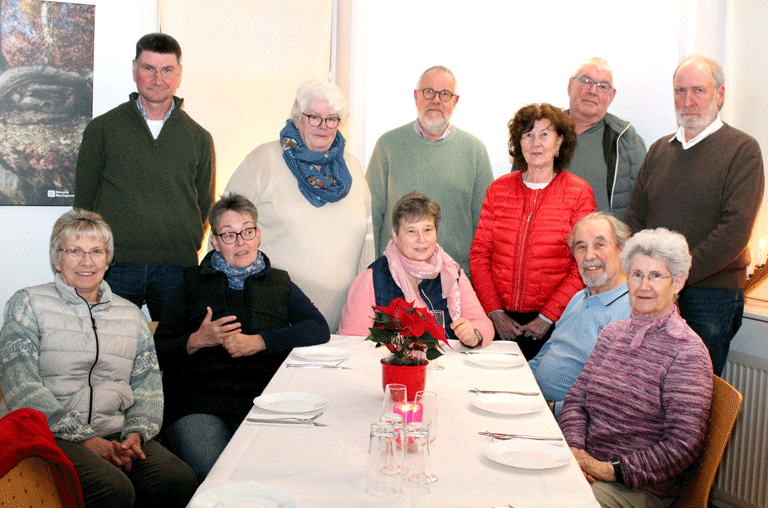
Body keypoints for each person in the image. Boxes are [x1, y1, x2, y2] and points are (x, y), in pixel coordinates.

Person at [0, 210, 198, 508]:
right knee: (112, 490)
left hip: (116, 430)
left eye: (96, 252)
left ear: (108, 260)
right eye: (74, 251)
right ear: (57, 259)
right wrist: (85, 439)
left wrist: (136, 434)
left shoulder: (130, 315)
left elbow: (147, 388)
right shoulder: (27, 303)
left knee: (178, 480)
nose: (87, 261)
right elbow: (21, 387)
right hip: (49, 434)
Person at [154, 194, 330, 482]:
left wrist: (259, 341)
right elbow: (157, 350)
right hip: (199, 405)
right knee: (216, 474)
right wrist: (198, 339)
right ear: (214, 241)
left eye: (247, 232)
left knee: (280, 473)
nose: (241, 242)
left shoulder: (279, 282)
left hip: (264, 403)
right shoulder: (190, 282)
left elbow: (318, 329)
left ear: (258, 235)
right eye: (229, 235)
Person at [625, 55, 764, 376]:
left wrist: (673, 279)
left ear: (720, 95)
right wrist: (649, 278)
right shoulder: (660, 150)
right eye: (680, 91)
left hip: (710, 296)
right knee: (647, 390)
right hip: (653, 291)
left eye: (698, 90)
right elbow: (635, 218)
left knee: (693, 397)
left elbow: (734, 231)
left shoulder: (743, 150)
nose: (687, 101)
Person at [559, 228, 713, 508]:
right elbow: (576, 401)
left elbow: (682, 445)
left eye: (656, 276)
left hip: (638, 486)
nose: (643, 286)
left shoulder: (687, 352)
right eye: (637, 275)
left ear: (677, 282)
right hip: (586, 467)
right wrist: (575, 453)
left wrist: (607, 469)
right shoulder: (612, 334)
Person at [74, 32, 215, 320]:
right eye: (148, 68)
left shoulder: (199, 137)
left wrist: (184, 243)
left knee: (178, 356)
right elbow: (84, 204)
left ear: (179, 74)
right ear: (135, 69)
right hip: (116, 266)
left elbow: (205, 206)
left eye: (167, 70)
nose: (157, 78)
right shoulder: (102, 129)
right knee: (112, 356)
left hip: (178, 268)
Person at [225, 80, 372, 333]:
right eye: (314, 117)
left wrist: (367, 302)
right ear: (297, 118)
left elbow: (367, 240)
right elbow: (223, 229)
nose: (323, 126)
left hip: (341, 322)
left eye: (332, 119)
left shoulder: (354, 169)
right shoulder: (262, 161)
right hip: (272, 317)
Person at [470, 103, 596, 359]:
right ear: (519, 143)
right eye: (528, 134)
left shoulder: (579, 193)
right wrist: (494, 312)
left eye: (544, 134)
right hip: (498, 320)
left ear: (559, 142)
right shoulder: (498, 189)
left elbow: (582, 264)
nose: (535, 142)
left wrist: (548, 316)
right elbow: (480, 255)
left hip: (556, 324)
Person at [367, 65, 493, 278]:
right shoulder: (387, 145)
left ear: (455, 101)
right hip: (396, 277)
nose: (436, 100)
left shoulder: (475, 151)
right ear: (416, 97)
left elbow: (486, 224)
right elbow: (371, 214)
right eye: (428, 92)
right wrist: (374, 272)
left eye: (445, 94)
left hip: (454, 279)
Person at [338, 192, 494, 347]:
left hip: (446, 367)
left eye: (427, 230)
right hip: (393, 368)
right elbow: (352, 342)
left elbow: (483, 324)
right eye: (411, 231)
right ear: (395, 234)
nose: (422, 239)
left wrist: (474, 336)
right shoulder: (373, 278)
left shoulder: (452, 272)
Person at [528, 212, 631, 417]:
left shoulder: (632, 311)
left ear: (623, 250)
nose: (589, 255)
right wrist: (516, 383)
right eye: (581, 246)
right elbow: (548, 351)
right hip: (536, 405)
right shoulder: (578, 298)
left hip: (570, 423)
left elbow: (612, 398)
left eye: (600, 245)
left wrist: (550, 411)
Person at [566, 57, 646, 220]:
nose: (593, 91)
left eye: (602, 86)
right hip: (547, 241)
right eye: (586, 81)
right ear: (570, 86)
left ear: (611, 96)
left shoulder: (627, 141)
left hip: (603, 243)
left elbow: (643, 204)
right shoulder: (542, 133)